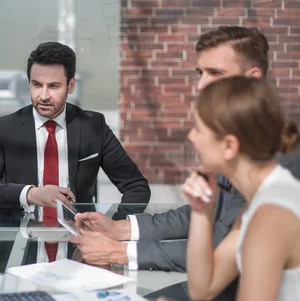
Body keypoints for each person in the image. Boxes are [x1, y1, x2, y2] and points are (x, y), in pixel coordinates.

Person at [71, 26, 300, 272]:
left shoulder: (282, 159)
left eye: (215, 72)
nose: (201, 85)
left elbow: (226, 252)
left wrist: (121, 252)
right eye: (200, 73)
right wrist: (120, 229)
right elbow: (208, 217)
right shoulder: (233, 137)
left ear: (253, 78)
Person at [128, 76, 300, 301]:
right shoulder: (259, 201)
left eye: (198, 128)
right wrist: (201, 212)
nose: (191, 137)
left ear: (230, 145)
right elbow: (202, 288)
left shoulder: (271, 214)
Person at [0, 42, 150, 213]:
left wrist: (114, 227)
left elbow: (137, 187)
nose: (44, 96)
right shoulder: (5, 128)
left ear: (71, 86)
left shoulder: (93, 127)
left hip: (77, 235)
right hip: (19, 234)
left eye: (53, 86)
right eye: (36, 85)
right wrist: (31, 194)